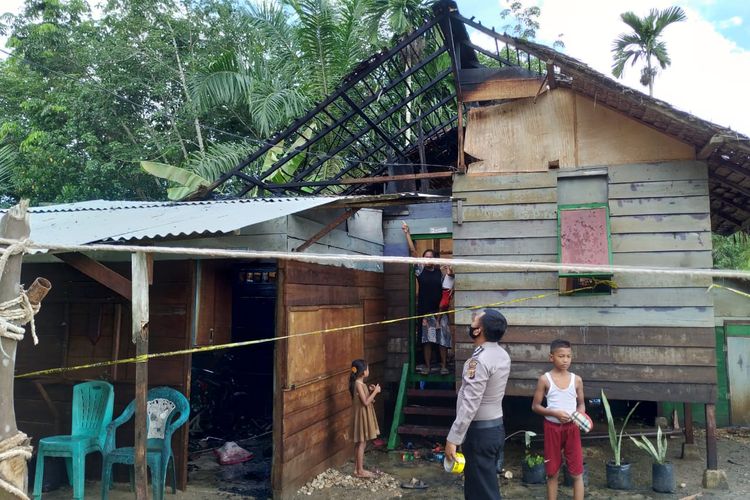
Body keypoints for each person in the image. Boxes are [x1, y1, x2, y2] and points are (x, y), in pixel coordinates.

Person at [445, 309, 511, 500]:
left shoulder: (480, 360)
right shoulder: (501, 355)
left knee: (484, 492)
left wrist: (454, 437)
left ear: (479, 330)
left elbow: (470, 403)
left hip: (479, 434)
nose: (471, 324)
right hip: (495, 428)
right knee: (478, 488)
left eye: (474, 321)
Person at [531, 339, 586, 500]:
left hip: (572, 428)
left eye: (569, 356)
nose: (565, 360)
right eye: (561, 356)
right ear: (551, 357)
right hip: (552, 428)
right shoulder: (545, 379)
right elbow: (535, 406)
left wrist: (579, 415)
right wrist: (555, 414)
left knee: (577, 472)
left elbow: (581, 404)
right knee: (552, 472)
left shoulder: (577, 380)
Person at [402, 222, 453, 375]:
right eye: (425, 257)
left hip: (439, 312)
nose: (427, 259)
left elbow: (448, 287)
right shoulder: (420, 271)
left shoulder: (441, 273)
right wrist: (407, 233)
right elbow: (413, 251)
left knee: (443, 340)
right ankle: (428, 366)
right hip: (425, 312)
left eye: (430, 257)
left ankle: (444, 366)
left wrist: (450, 273)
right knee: (427, 341)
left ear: (435, 259)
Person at [350, 359, 381, 478]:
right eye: (367, 368)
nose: (369, 370)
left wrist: (371, 391)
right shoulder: (358, 384)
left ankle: (357, 469)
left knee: (360, 442)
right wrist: (376, 392)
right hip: (362, 415)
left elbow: (369, 399)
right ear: (363, 372)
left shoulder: (361, 384)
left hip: (362, 414)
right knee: (362, 443)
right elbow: (366, 402)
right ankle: (360, 471)